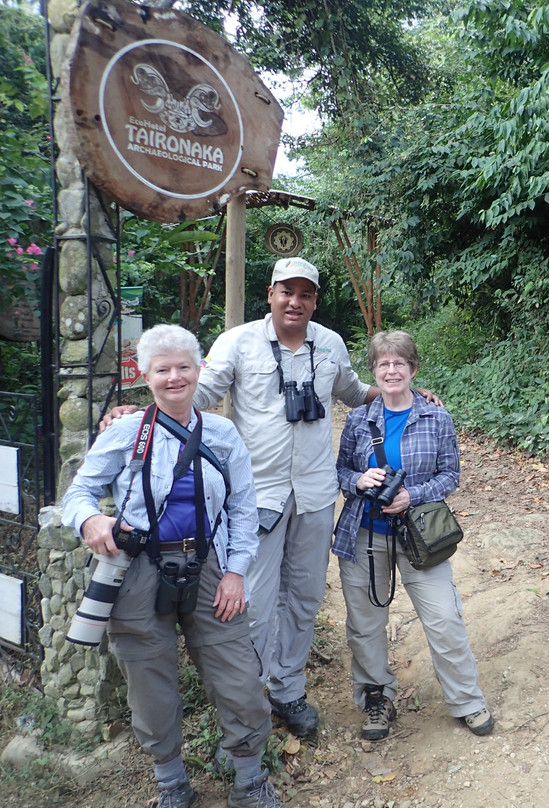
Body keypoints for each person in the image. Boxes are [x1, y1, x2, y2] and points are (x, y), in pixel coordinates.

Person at [103, 257, 440, 740]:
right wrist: (136, 413)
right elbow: (195, 393)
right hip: (256, 496)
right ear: (271, 294)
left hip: (317, 494)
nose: (295, 302)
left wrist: (406, 391)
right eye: (287, 292)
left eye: (305, 294)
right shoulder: (237, 343)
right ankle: (250, 699)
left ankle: (288, 690)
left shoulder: (330, 344)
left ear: (314, 301)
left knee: (303, 599)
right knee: (255, 603)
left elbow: (353, 390)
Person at [62, 325, 286, 808]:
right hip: (139, 570)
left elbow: (244, 510)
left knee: (237, 674)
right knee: (147, 679)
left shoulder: (223, 434)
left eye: (183, 366)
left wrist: (236, 572)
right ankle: (171, 781)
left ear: (198, 370)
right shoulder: (125, 431)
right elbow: (77, 493)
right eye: (162, 369)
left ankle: (249, 779)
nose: (174, 377)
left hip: (210, 566)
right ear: (146, 376)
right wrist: (91, 519)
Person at [333, 330, 494, 741]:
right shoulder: (358, 420)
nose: (391, 370)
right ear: (374, 371)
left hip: (420, 535)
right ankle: (376, 698)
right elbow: (340, 473)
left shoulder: (436, 417)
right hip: (365, 534)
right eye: (383, 364)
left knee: (444, 617)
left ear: (413, 369)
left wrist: (411, 495)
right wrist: (359, 480)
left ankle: (466, 700)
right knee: (366, 625)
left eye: (399, 363)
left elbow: (450, 475)